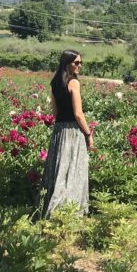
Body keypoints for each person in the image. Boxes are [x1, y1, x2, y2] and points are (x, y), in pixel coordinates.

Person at [41, 49, 93, 217]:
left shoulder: (55, 82)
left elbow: (55, 112)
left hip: (59, 130)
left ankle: (50, 209)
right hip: (72, 131)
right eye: (76, 63)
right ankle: (69, 210)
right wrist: (88, 134)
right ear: (67, 63)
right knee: (73, 170)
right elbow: (78, 113)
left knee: (58, 170)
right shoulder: (74, 83)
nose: (79, 66)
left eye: (80, 63)